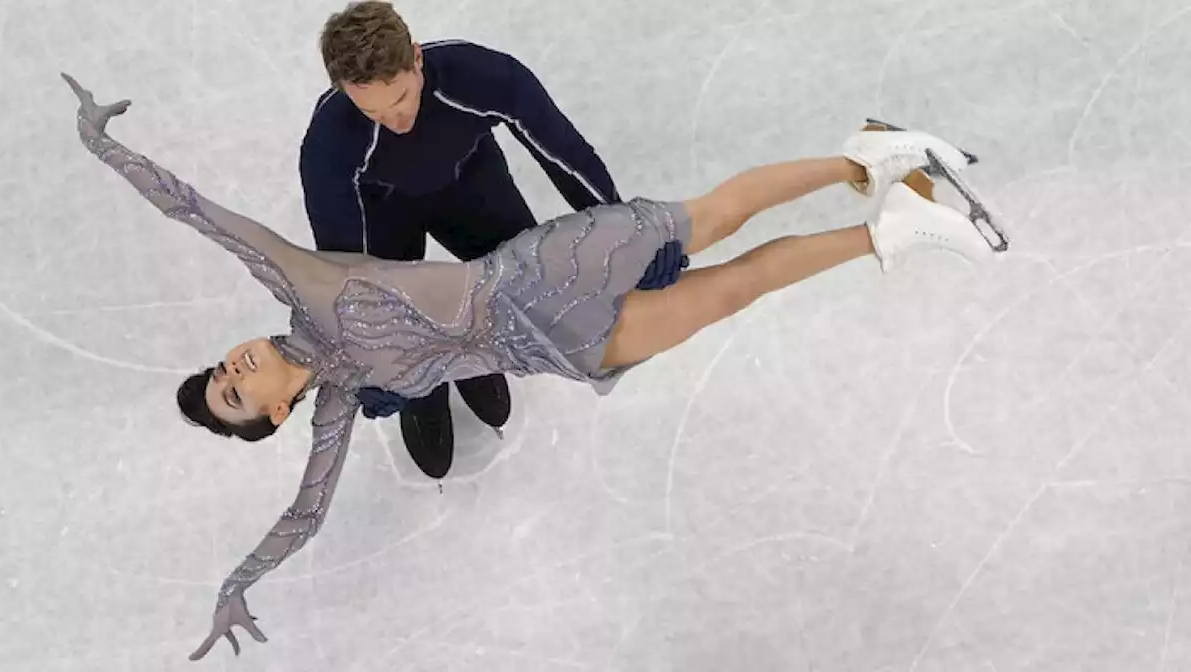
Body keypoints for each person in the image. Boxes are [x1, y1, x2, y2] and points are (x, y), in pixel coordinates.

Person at [58, 74, 997, 661]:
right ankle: (889, 227)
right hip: (547, 345)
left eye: (219, 369)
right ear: (267, 417)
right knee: (730, 291)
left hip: (539, 269)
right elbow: (305, 514)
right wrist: (236, 584)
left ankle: (866, 157)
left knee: (711, 220)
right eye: (232, 392)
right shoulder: (339, 404)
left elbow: (193, 209)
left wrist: (101, 145)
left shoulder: (295, 284)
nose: (231, 367)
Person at [299, 2, 653, 479]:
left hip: (470, 183)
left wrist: (625, 230)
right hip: (381, 211)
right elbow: (340, 270)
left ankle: (476, 357)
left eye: (401, 97)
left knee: (521, 280)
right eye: (371, 110)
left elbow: (565, 155)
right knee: (394, 312)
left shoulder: (480, 75)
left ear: (417, 59)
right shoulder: (330, 141)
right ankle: (423, 390)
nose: (394, 119)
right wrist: (365, 362)